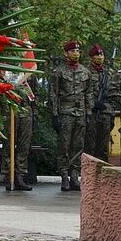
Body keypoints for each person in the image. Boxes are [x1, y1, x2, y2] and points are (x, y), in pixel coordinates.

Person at [49, 40, 91, 191]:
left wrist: (89, 113)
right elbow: (53, 94)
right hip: (65, 113)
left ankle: (74, 176)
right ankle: (64, 176)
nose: (75, 54)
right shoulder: (58, 72)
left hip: (80, 113)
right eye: (72, 51)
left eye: (77, 51)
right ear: (66, 53)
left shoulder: (85, 71)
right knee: (64, 145)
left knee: (78, 146)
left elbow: (88, 94)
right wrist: (54, 115)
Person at [0, 74, 35, 192]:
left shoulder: (29, 70)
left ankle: (20, 176)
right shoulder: (5, 70)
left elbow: (34, 94)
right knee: (9, 142)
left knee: (24, 144)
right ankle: (9, 176)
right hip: (9, 108)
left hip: (26, 109)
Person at [85, 44, 114, 161]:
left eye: (101, 54)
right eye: (97, 55)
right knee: (90, 145)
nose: (100, 57)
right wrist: (93, 103)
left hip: (105, 113)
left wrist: (108, 108)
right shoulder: (86, 72)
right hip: (91, 113)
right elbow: (83, 92)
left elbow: (114, 92)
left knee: (103, 146)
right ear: (91, 57)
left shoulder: (109, 73)